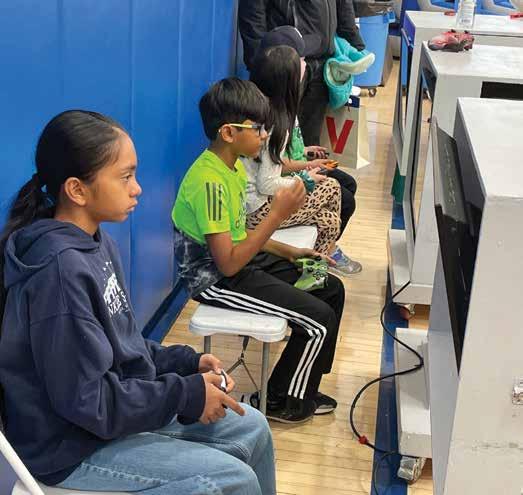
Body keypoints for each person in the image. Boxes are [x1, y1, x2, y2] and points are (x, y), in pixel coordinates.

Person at [0, 110, 275, 495]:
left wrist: (185, 362)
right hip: (69, 447)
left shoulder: (97, 243)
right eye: (125, 177)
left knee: (252, 427)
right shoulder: (58, 273)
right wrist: (186, 395)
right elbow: (87, 401)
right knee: (229, 480)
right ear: (77, 190)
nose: (138, 189)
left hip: (105, 418)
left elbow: (122, 345)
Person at [172, 78, 346, 424]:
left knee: (331, 289)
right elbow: (228, 264)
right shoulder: (210, 182)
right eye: (258, 128)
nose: (265, 135)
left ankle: (303, 384)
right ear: (228, 132)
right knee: (318, 321)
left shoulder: (232, 166)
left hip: (237, 261)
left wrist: (291, 252)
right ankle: (282, 401)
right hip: (214, 279)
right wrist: (277, 215)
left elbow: (241, 234)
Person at [245, 37, 362, 274]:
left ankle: (315, 271)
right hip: (256, 212)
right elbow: (267, 183)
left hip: (258, 205)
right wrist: (305, 180)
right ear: (287, 80)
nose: (305, 64)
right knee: (332, 187)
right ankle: (319, 266)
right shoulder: (275, 123)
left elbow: (274, 165)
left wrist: (306, 165)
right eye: (299, 62)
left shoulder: (269, 110)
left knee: (330, 220)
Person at [238, 0, 365, 145]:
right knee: (274, 136)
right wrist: (262, 63)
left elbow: (343, 5)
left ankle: (303, 159)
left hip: (321, 63)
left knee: (310, 140)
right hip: (286, 65)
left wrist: (356, 45)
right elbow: (252, 14)